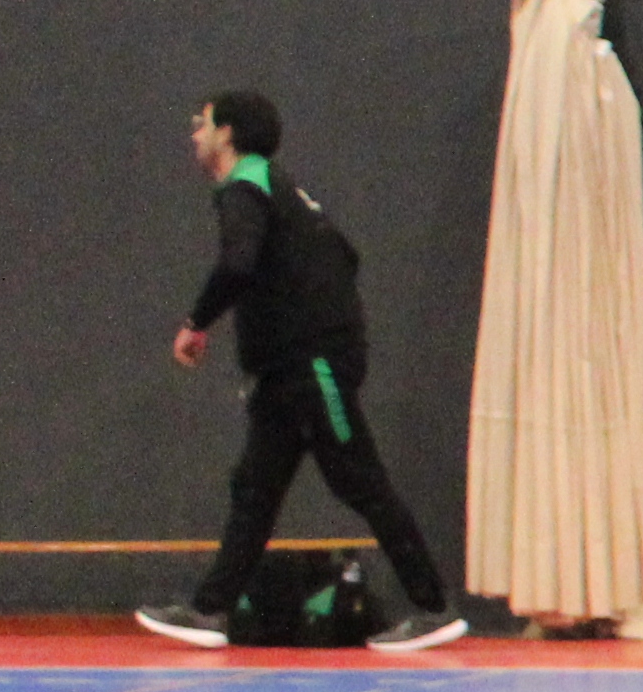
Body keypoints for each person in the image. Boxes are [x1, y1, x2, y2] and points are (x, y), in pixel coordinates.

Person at [137, 89, 465, 654]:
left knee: (358, 479)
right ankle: (210, 611)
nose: (195, 133)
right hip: (286, 372)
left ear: (228, 134)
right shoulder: (286, 192)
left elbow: (238, 263)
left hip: (310, 369)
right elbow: (345, 256)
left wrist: (197, 323)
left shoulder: (246, 187)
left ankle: (432, 608)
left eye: (203, 123)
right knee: (255, 491)